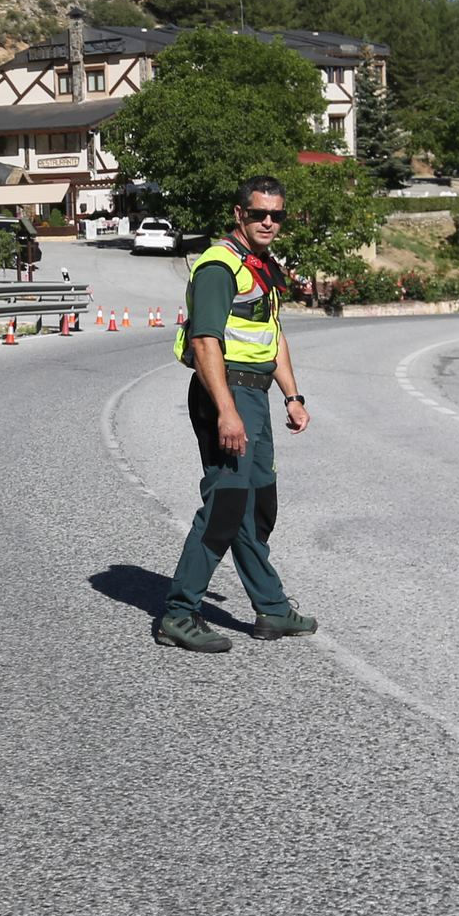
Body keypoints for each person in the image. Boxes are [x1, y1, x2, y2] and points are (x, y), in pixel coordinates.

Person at [156, 175, 316, 653]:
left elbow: (273, 334)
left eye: (276, 214)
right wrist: (227, 411)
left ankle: (270, 608)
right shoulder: (218, 267)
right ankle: (179, 613)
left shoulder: (260, 265)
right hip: (224, 393)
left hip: (257, 395)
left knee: (258, 502)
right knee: (227, 503)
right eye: (259, 213)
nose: (268, 221)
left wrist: (292, 395)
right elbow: (206, 340)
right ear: (239, 214)